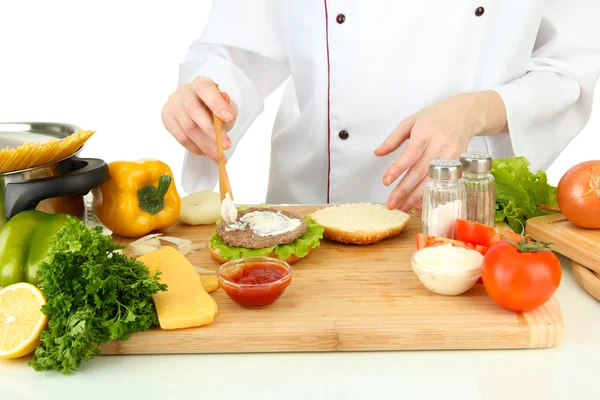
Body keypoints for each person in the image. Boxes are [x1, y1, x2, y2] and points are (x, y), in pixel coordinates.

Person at [161, 1, 600, 211]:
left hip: (470, 212)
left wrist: (476, 110)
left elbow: (570, 67)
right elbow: (237, 51)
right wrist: (205, 100)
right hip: (312, 209)